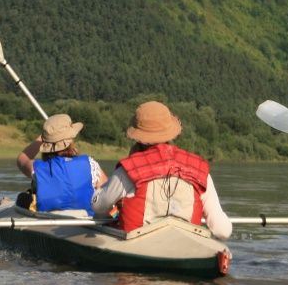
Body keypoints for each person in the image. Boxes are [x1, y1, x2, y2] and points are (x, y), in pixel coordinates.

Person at [91, 101, 232, 238]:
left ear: (137, 138)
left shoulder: (128, 170)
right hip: (186, 244)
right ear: (171, 134)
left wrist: (109, 202)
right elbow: (223, 230)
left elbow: (98, 206)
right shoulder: (200, 170)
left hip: (138, 244)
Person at [16, 113, 107, 215]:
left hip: (48, 219)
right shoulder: (90, 163)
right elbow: (106, 191)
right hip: (85, 220)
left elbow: (22, 159)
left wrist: (43, 137)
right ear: (71, 140)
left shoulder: (38, 168)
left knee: (23, 198)